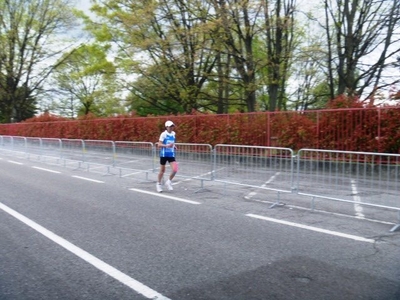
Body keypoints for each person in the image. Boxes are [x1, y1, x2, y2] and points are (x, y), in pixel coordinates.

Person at [156, 120, 178, 192]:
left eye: (172, 126)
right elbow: (159, 145)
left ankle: (168, 182)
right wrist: (167, 146)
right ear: (166, 127)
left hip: (171, 154)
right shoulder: (163, 134)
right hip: (164, 154)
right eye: (170, 126)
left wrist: (174, 146)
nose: (172, 128)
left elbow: (172, 142)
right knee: (162, 171)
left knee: (175, 169)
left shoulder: (173, 133)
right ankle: (158, 184)